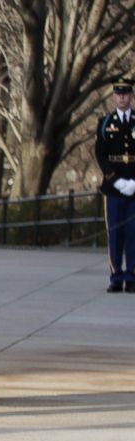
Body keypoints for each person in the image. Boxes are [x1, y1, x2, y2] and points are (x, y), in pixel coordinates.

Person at [96, 77, 135, 293]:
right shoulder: (105, 123)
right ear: (113, 97)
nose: (122, 97)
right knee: (115, 233)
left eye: (126, 93)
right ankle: (115, 276)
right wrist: (117, 181)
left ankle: (131, 276)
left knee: (133, 233)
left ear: (131, 96)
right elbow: (101, 155)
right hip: (113, 187)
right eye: (118, 94)